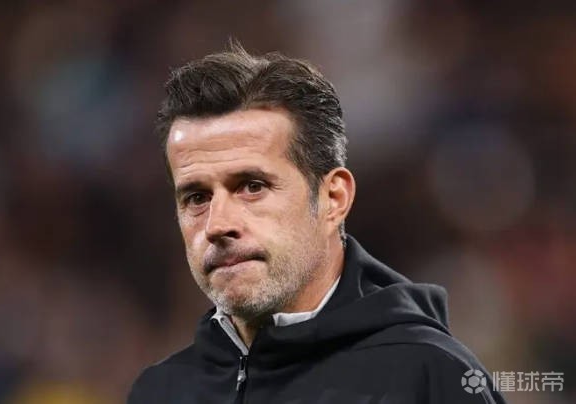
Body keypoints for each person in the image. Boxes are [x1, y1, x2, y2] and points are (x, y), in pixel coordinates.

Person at [128, 43, 506, 404]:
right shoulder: (160, 392)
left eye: (252, 187)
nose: (217, 225)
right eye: (197, 197)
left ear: (333, 199)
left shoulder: (428, 377)